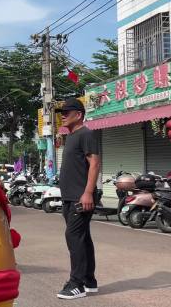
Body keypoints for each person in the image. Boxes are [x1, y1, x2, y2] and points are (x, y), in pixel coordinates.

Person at [55, 98, 100, 300]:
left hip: (80, 197)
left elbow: (95, 164)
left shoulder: (85, 134)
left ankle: (77, 284)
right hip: (70, 197)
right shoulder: (71, 136)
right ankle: (89, 280)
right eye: (61, 112)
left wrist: (88, 192)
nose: (62, 115)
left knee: (74, 238)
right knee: (82, 238)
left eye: (67, 111)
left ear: (79, 114)